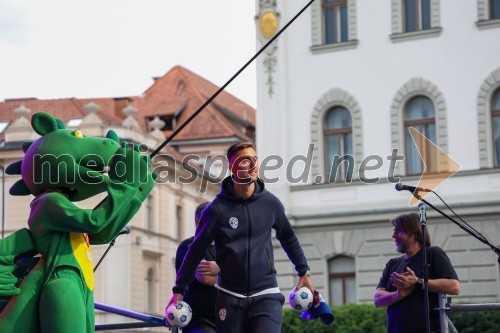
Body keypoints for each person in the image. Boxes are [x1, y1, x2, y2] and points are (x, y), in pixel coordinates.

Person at [167, 142, 314, 333]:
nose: (252, 165)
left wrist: (304, 272)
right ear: (232, 167)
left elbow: (288, 237)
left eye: (254, 159)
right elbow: (195, 251)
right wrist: (178, 291)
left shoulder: (271, 204)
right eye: (245, 160)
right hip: (229, 298)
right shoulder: (216, 211)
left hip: (266, 295)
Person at [374, 212, 460, 333]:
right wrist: (399, 295)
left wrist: (417, 282)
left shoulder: (432, 253)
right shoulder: (393, 264)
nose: (393, 235)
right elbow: (377, 300)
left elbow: (454, 287)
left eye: (398, 231)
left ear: (414, 234)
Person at [175, 202, 218, 333]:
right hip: (199, 323)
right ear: (197, 221)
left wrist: (218, 269)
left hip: (224, 321)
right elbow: (203, 277)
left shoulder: (223, 249)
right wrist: (227, 272)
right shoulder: (188, 246)